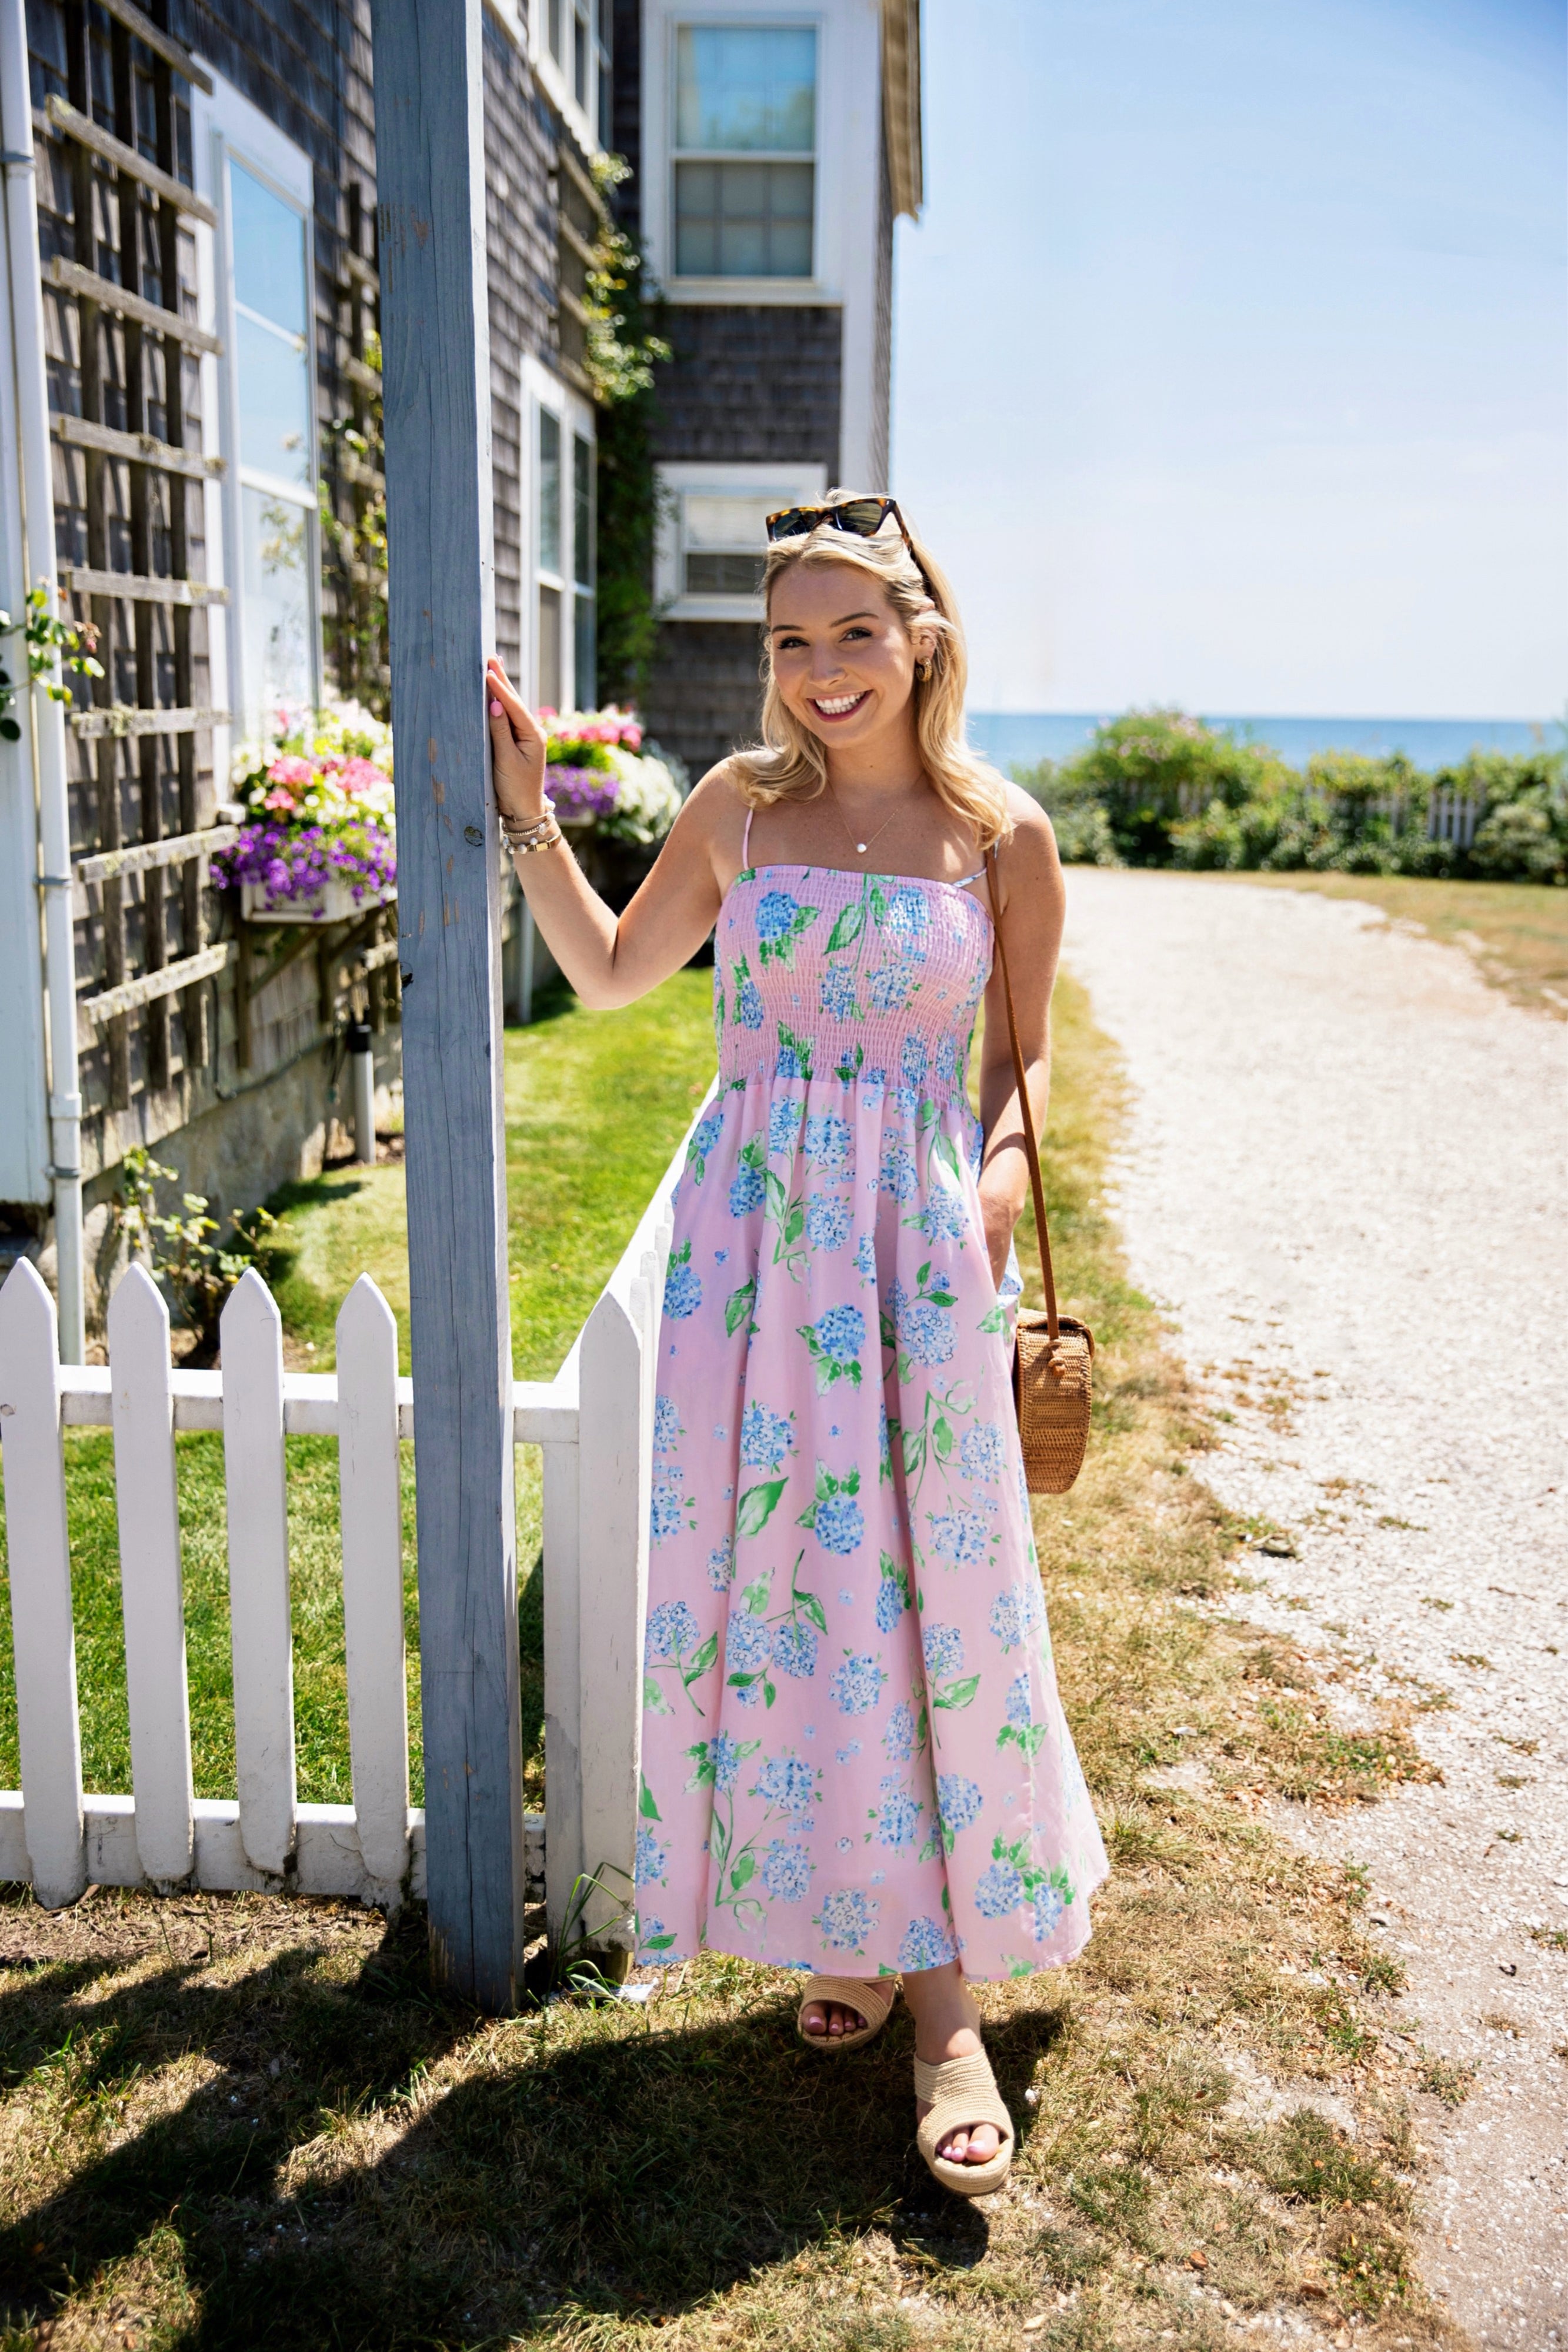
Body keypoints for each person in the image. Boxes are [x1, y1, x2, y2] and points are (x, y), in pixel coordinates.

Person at [485, 495, 1107, 2198]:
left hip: (909, 1255)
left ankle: (943, 2010)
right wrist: (534, 823)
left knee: (925, 1604)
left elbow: (1025, 1055)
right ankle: (846, 1919)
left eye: (852, 633)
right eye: (787, 641)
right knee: (783, 1598)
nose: (820, 672)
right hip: (751, 1258)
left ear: (922, 636)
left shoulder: (998, 835)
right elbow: (614, 978)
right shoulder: (737, 812)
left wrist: (991, 1161)